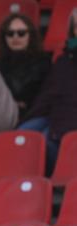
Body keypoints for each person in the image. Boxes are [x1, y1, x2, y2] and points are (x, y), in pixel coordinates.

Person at [20, 9, 77, 173]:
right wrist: (28, 118)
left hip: (68, 123)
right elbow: (48, 95)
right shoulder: (63, 61)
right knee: (22, 135)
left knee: (45, 140)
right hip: (57, 116)